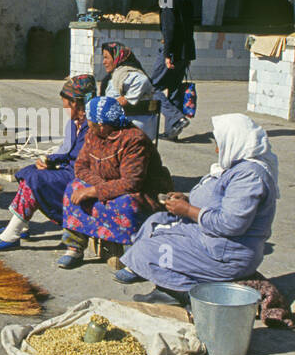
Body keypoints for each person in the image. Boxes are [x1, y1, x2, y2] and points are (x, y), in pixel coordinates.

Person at [118, 114, 278, 306]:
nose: (217, 149)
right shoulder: (235, 167)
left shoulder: (249, 177)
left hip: (225, 253)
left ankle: (187, 294)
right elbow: (218, 201)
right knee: (156, 221)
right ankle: (165, 286)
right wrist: (186, 201)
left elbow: (231, 224)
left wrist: (187, 210)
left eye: (220, 142)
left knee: (151, 248)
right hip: (212, 239)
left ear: (235, 141)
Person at [56, 96, 172, 270]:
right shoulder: (93, 134)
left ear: (102, 125)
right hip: (108, 185)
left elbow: (132, 182)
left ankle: (135, 261)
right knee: (73, 189)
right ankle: (75, 246)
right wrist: (99, 187)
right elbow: (80, 166)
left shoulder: (134, 140)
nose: (88, 124)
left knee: (126, 204)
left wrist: (95, 191)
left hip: (143, 191)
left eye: (91, 121)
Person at [0, 74, 95, 251]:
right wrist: (48, 160)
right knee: (28, 171)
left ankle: (13, 232)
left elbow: (82, 159)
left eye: (66, 105)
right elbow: (67, 151)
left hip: (81, 176)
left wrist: (54, 164)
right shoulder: (75, 123)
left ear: (75, 103)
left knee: (36, 179)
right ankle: (21, 224)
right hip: (70, 168)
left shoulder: (92, 126)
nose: (64, 109)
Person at [152, 0, 196, 140]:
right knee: (175, 88)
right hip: (186, 51)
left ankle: (176, 117)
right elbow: (189, 28)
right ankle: (172, 132)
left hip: (172, 50)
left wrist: (168, 54)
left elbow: (169, 29)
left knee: (152, 87)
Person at [101, 42, 158, 140]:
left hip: (136, 129)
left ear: (117, 58)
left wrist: (127, 98)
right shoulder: (116, 75)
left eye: (107, 57)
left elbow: (142, 80)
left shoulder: (130, 74)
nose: (103, 62)